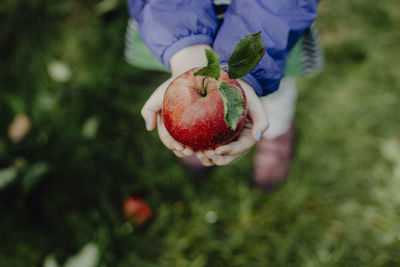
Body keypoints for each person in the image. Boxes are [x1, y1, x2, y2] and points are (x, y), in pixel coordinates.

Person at [127, 0, 320, 191]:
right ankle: (199, 138)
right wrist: (186, 51)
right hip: (168, 22)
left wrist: (248, 71)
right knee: (185, 83)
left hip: (273, 33)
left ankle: (276, 133)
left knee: (278, 91)